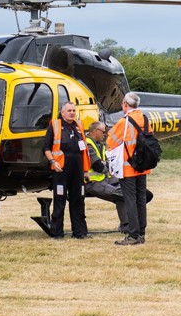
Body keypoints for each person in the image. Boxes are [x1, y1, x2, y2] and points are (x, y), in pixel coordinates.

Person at [108, 92, 151, 245]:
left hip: (128, 167)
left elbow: (111, 141)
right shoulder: (145, 119)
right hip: (143, 167)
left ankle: (133, 235)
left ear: (125, 104)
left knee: (130, 200)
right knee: (141, 198)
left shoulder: (124, 122)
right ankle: (141, 233)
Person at [42, 101, 89, 239]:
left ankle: (80, 232)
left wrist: (86, 170)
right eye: (69, 110)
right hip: (61, 169)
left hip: (77, 169)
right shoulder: (55, 125)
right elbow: (46, 148)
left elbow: (84, 150)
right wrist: (53, 161)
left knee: (78, 200)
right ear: (62, 113)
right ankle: (57, 232)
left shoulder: (79, 125)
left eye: (73, 110)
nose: (72, 113)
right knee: (60, 200)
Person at [83, 120, 125, 229]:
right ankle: (127, 226)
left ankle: (128, 223)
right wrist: (106, 168)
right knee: (121, 195)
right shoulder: (88, 144)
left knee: (125, 186)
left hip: (102, 178)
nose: (105, 134)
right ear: (95, 131)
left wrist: (105, 166)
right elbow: (98, 166)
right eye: (103, 131)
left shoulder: (99, 144)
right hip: (92, 182)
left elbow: (107, 162)